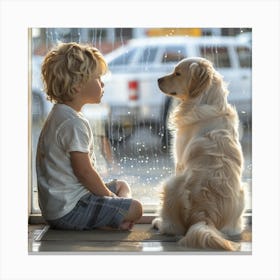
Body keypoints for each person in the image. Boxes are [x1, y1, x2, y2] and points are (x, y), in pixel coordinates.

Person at [36, 42, 142, 231]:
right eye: (98, 77)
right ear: (77, 86)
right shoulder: (73, 123)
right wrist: (111, 199)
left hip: (59, 207)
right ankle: (112, 221)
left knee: (121, 184)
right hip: (70, 210)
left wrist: (111, 197)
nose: (102, 83)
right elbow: (84, 172)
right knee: (136, 208)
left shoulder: (59, 114)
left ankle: (110, 220)